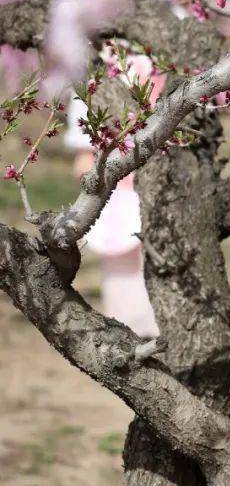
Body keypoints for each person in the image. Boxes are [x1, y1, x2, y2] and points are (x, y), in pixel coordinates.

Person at [65, 46, 163, 337]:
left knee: (162, 253)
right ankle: (130, 327)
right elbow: (85, 107)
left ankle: (160, 324)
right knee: (122, 263)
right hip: (117, 182)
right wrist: (85, 153)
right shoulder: (100, 60)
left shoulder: (164, 54)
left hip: (163, 174)